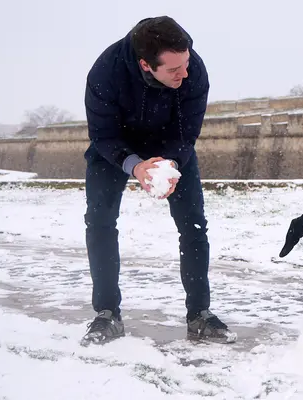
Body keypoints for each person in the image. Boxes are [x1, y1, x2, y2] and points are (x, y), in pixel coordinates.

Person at [80, 16, 235, 345]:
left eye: (187, 64)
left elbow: (187, 133)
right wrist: (135, 166)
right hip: (115, 149)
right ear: (146, 65)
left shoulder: (193, 71)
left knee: (193, 224)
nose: (186, 74)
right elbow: (102, 135)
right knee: (100, 221)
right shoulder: (105, 72)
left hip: (170, 146)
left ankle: (199, 315)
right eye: (174, 70)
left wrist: (171, 164)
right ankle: (107, 314)